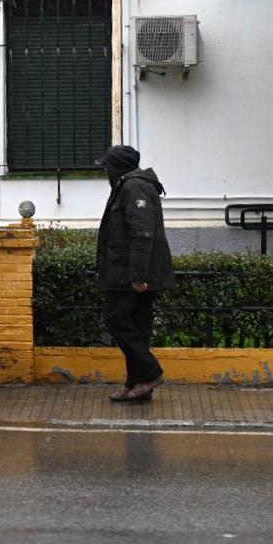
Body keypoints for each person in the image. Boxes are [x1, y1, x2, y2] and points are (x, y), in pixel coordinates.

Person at [96, 145, 175, 403]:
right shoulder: (129, 184)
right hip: (128, 270)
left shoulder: (134, 187)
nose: (105, 171)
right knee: (138, 327)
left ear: (117, 167)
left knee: (116, 318)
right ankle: (137, 385)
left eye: (107, 166)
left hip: (130, 272)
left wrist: (138, 275)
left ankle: (150, 373)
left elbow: (142, 233)